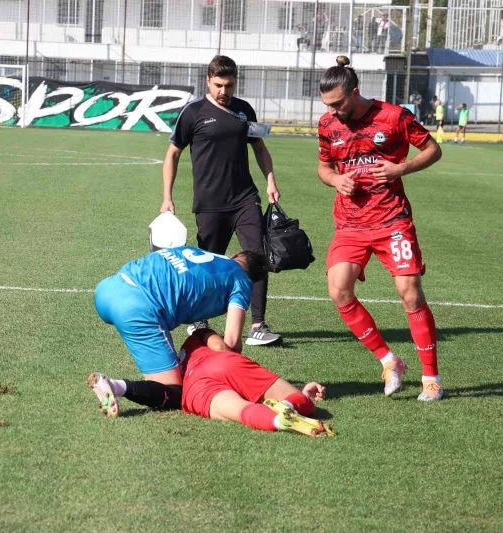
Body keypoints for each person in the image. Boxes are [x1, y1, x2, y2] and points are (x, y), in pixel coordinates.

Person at [316, 55, 444, 401]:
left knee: (410, 293)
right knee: (338, 289)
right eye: (327, 105)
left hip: (392, 221)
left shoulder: (395, 117)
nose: (333, 111)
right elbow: (324, 167)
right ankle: (389, 360)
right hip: (350, 224)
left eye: (338, 103)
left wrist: (400, 169)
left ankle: (430, 377)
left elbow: (433, 150)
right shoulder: (328, 125)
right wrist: (336, 180)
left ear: (355, 92)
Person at [160, 55, 282, 347]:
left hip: (244, 199)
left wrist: (270, 180)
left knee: (257, 258)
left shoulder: (243, 110)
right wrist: (167, 197)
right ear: (208, 80)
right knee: (207, 265)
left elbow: (260, 148)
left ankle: (258, 325)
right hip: (209, 204)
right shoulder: (193, 113)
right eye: (218, 85)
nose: (224, 92)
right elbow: (172, 154)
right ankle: (199, 320)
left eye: (229, 85)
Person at [90, 245, 267, 416]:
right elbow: (231, 343)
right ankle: (115, 386)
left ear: (235, 255)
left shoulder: (197, 251)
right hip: (136, 308)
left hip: (108, 288)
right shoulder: (242, 281)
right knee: (175, 392)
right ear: (253, 279)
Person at [89, 328, 335, 437]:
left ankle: (277, 419)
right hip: (223, 363)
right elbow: (220, 347)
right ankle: (291, 406)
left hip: (197, 389)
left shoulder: (176, 383)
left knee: (243, 412)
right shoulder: (196, 337)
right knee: (305, 403)